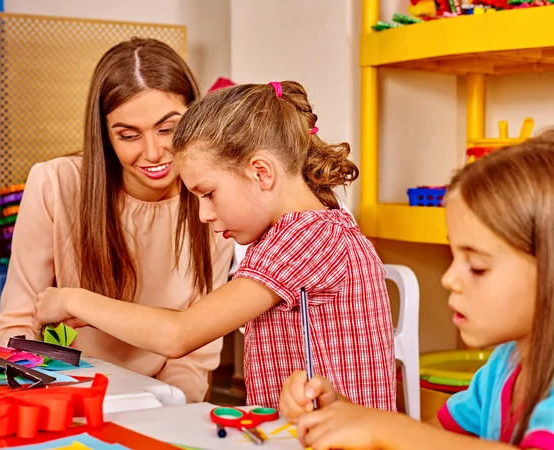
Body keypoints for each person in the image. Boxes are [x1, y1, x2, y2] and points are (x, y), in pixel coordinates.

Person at [31, 80, 396, 411]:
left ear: (261, 172)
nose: (204, 214)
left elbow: (179, 335)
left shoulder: (304, 239)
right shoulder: (313, 228)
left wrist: (71, 299)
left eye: (208, 194)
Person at [0, 37, 234, 403]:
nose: (152, 153)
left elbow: (195, 357)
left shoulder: (211, 200)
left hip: (158, 400)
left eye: (168, 129)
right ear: (104, 134)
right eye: (128, 135)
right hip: (63, 393)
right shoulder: (56, 183)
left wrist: (163, 407)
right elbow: (16, 327)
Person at [281, 130, 554, 450]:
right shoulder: (503, 367)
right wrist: (342, 414)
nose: (449, 279)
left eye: (477, 266)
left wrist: (389, 429)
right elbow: (435, 439)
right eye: (454, 257)